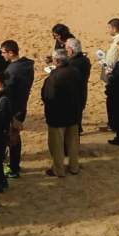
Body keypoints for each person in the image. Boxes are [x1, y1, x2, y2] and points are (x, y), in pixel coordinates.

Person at [41, 49, 81, 177]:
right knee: (73, 142)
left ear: (56, 61)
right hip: (73, 112)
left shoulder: (54, 77)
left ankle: (58, 170)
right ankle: (74, 167)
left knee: (57, 145)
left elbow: (47, 96)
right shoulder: (75, 72)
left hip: (57, 115)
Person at [1, 39, 33, 178]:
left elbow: (6, 91)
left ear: (11, 52)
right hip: (21, 105)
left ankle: (14, 168)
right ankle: (14, 165)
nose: (2, 55)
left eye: (3, 53)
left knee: (12, 138)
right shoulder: (26, 65)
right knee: (14, 137)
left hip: (14, 109)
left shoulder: (13, 70)